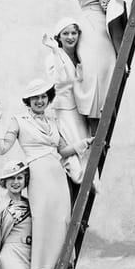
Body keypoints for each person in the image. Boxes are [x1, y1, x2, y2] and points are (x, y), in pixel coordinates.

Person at [0, 78, 93, 269]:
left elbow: (63, 150)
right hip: (38, 176)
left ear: (48, 99)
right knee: (43, 225)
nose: (40, 100)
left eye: (43, 96)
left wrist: (84, 144)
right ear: (28, 100)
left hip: (57, 176)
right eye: (35, 97)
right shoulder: (19, 120)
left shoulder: (53, 121)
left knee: (62, 222)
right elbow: (2, 148)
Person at [56, 0, 120, 131]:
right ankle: (91, 120)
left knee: (109, 69)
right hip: (90, 27)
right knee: (92, 73)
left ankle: (105, 117)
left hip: (107, 28)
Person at [42, 18, 93, 177]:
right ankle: (77, 179)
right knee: (73, 151)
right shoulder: (53, 57)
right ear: (59, 36)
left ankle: (89, 180)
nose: (70, 37)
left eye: (74, 33)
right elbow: (59, 80)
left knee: (86, 150)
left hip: (80, 108)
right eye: (66, 33)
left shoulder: (80, 54)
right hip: (64, 110)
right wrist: (56, 52)